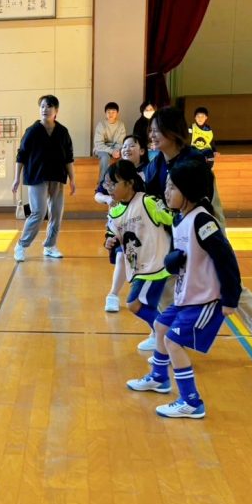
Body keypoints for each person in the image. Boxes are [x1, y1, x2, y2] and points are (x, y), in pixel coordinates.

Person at [141, 106, 252, 363]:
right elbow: (151, 200)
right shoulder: (155, 165)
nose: (152, 135)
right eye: (150, 130)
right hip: (174, 229)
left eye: (157, 130)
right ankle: (164, 331)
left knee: (225, 282)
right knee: (164, 280)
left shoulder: (193, 161)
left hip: (201, 228)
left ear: (173, 132)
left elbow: (204, 205)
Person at [126, 158, 241, 419]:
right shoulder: (180, 218)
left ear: (188, 191)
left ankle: (191, 401)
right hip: (185, 296)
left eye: (172, 188)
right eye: (167, 187)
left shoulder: (203, 221)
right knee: (160, 326)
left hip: (204, 299)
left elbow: (226, 258)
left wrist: (230, 298)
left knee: (173, 342)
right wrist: (175, 261)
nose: (166, 193)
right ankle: (159, 378)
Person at [103, 159, 173, 337]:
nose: (109, 188)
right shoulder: (114, 212)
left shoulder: (147, 202)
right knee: (148, 306)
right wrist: (109, 242)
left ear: (129, 183)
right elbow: (111, 234)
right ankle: (160, 339)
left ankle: (167, 335)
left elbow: (172, 220)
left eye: (114, 184)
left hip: (154, 266)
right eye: (107, 184)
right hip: (136, 267)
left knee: (133, 303)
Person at [12, 95, 76, 262]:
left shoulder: (62, 132)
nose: (45, 109)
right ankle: (21, 245)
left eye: (49, 106)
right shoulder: (32, 131)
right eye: (42, 106)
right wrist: (16, 179)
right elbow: (21, 156)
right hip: (36, 177)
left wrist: (73, 180)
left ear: (56, 111)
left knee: (56, 213)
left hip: (57, 177)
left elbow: (69, 157)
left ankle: (50, 245)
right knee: (38, 213)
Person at [100, 136, 148, 312]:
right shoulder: (116, 207)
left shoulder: (146, 198)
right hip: (127, 235)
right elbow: (112, 226)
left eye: (132, 145)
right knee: (122, 255)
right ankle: (113, 294)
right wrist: (109, 238)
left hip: (148, 241)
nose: (127, 149)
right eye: (125, 146)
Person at [92, 102, 127, 181]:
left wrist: (117, 151)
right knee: (105, 157)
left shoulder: (121, 125)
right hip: (101, 149)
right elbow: (98, 144)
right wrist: (112, 151)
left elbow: (121, 142)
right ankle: (102, 183)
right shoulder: (101, 125)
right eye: (108, 112)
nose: (111, 114)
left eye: (113, 112)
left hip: (116, 149)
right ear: (105, 113)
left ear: (117, 113)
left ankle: (120, 183)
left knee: (124, 157)